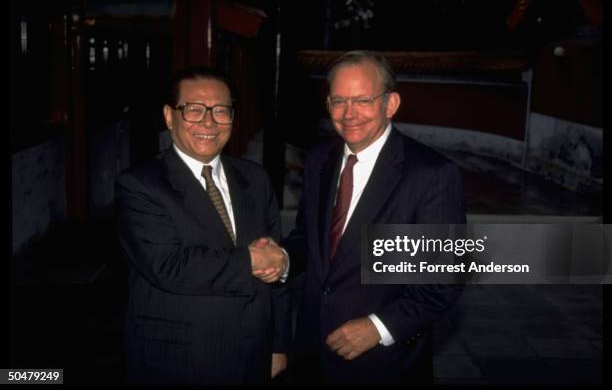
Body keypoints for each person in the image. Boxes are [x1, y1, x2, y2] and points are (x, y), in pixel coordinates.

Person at [285, 51, 466, 384]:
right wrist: (281, 257)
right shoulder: (319, 158)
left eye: (363, 100)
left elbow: (443, 281)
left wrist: (379, 327)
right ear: (328, 105)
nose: (349, 113)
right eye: (339, 101)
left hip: (383, 363)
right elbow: (308, 239)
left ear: (391, 104)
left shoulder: (432, 175)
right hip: (312, 352)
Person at [115, 66, 290, 384]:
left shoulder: (255, 178)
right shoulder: (140, 185)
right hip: (180, 357)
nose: (209, 122)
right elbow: (169, 265)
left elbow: (274, 265)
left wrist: (278, 345)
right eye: (194, 110)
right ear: (170, 116)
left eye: (221, 111)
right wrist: (251, 260)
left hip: (253, 351)